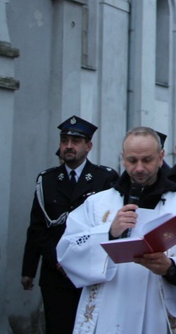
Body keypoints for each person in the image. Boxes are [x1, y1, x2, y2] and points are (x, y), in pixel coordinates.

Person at [57, 126, 176, 332]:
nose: (139, 168)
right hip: (109, 310)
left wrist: (171, 268)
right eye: (132, 160)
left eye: (147, 160)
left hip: (158, 314)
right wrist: (108, 232)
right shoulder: (97, 204)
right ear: (123, 158)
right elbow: (66, 252)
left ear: (160, 157)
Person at [21, 115, 119, 334]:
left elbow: (109, 225)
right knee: (58, 327)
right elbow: (37, 226)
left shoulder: (104, 178)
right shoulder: (46, 180)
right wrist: (31, 268)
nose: (68, 146)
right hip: (56, 271)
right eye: (64, 141)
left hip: (91, 270)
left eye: (75, 142)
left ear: (88, 146)